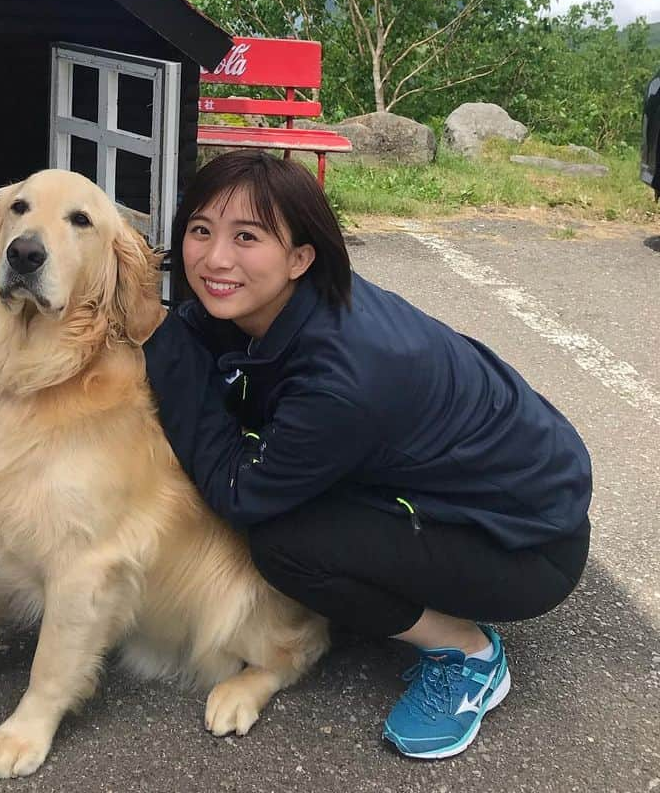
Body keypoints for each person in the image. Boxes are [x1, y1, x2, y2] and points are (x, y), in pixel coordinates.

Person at [142, 149, 591, 760]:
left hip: (527, 545)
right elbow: (197, 334)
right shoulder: (278, 302)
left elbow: (238, 492)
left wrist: (159, 340)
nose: (215, 258)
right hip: (497, 491)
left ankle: (467, 655)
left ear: (301, 256)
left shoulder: (343, 378)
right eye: (200, 230)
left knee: (285, 543)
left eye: (246, 237)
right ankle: (389, 591)